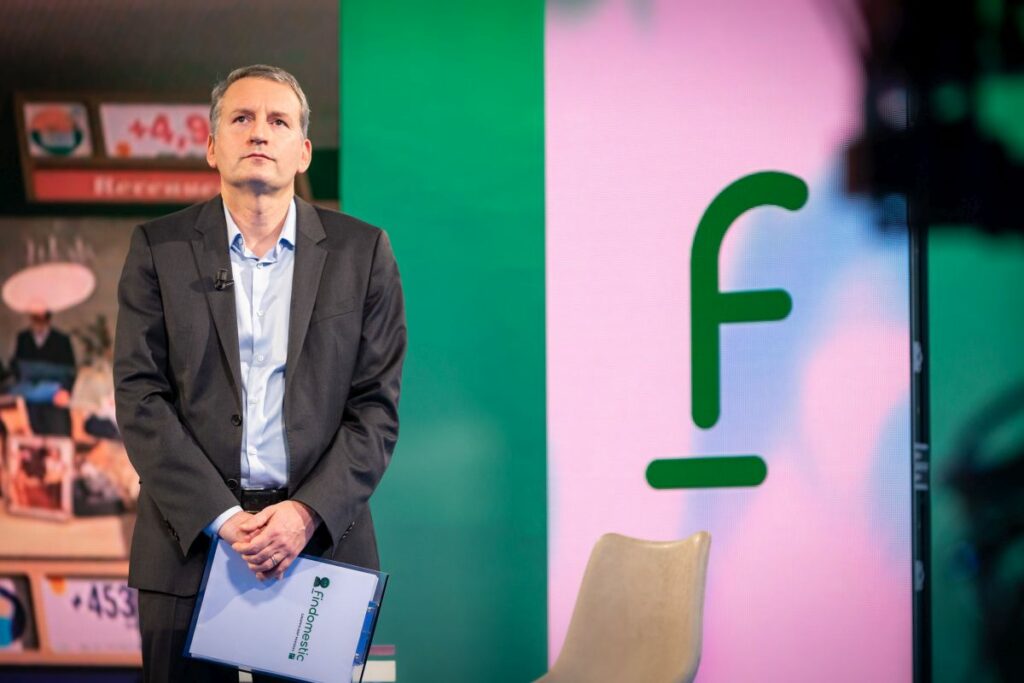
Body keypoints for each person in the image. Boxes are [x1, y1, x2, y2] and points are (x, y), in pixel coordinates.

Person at [113, 64, 406, 682]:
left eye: (278, 120)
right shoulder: (158, 249)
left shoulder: (363, 253)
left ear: (304, 151)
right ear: (211, 145)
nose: (259, 132)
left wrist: (303, 515)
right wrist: (222, 518)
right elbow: (140, 398)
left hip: (319, 544)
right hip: (188, 544)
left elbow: (375, 410)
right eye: (241, 118)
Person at [11, 310, 76, 436]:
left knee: (58, 434)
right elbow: (18, 368)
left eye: (42, 317)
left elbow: (70, 371)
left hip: (56, 399)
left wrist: (66, 390)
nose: (38, 320)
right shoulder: (23, 338)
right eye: (35, 317)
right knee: (33, 435)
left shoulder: (61, 340)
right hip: (30, 400)